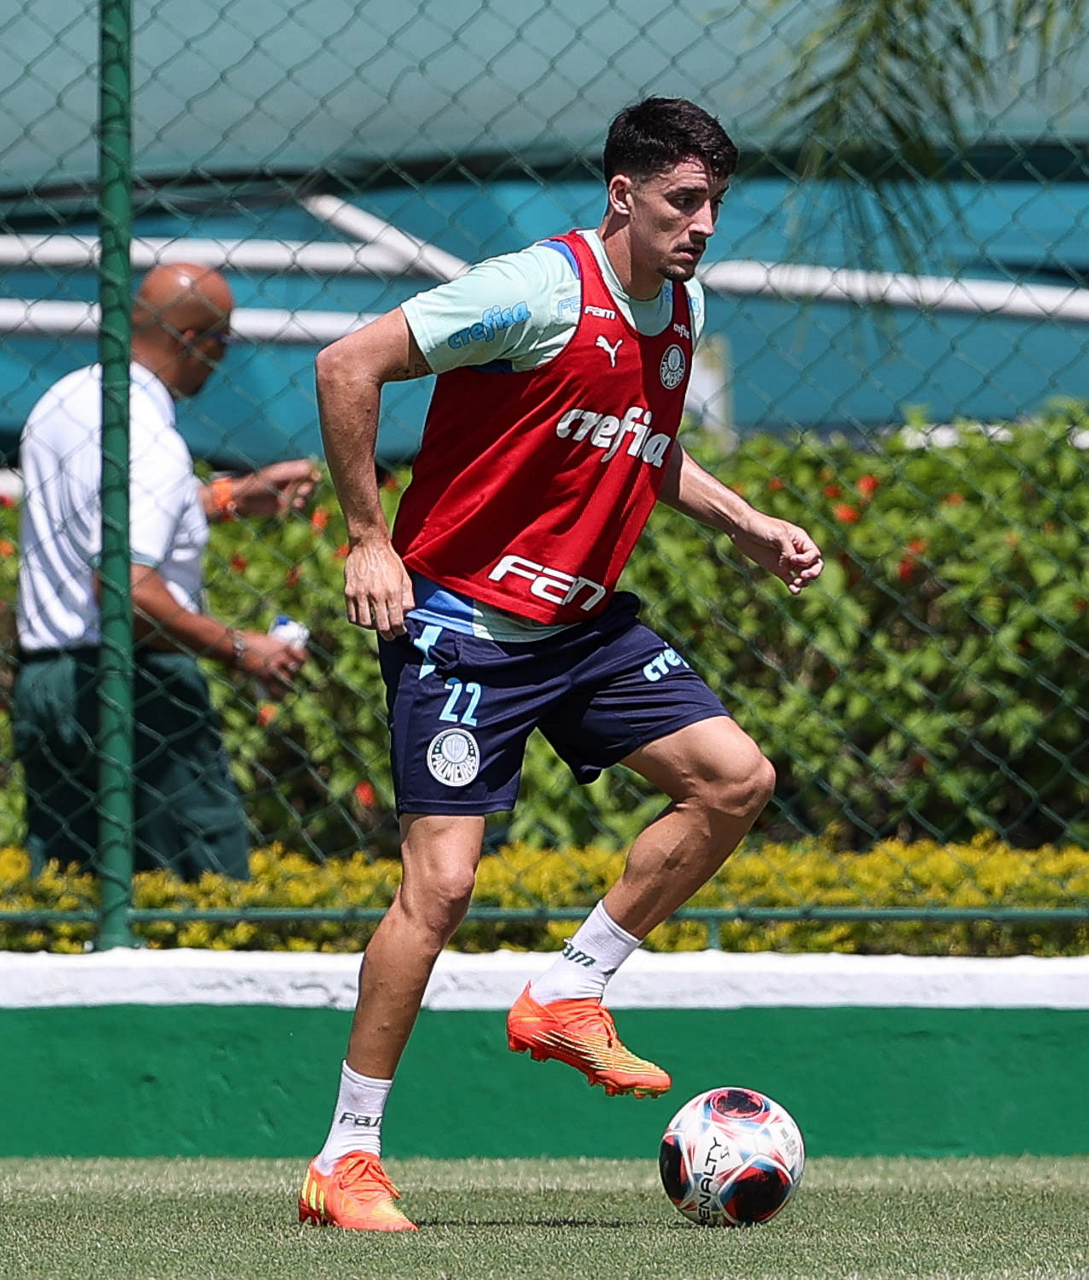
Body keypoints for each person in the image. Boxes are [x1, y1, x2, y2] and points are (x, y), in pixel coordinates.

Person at [302, 97, 824, 1232]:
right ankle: (346, 1156)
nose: (703, 225)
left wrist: (744, 523)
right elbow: (348, 364)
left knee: (735, 779)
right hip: (461, 624)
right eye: (684, 202)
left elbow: (644, 440)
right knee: (440, 888)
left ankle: (570, 988)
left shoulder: (679, 307)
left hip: (582, 629)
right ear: (622, 195)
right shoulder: (533, 291)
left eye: (715, 205)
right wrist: (369, 539)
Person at [14, 263, 319, 880]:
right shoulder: (149, 435)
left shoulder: (66, 401)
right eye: (221, 342)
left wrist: (227, 497)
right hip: (136, 689)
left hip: (47, 683)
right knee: (205, 887)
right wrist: (243, 649)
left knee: (73, 894)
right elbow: (126, 590)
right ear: (191, 340)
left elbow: (100, 517)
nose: (221, 360)